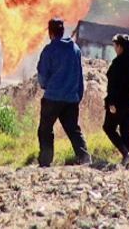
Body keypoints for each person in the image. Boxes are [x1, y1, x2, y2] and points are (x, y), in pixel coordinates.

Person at [36, 18, 91, 167]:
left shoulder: (49, 50)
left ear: (50, 32)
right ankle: (85, 158)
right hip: (71, 99)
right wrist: (78, 95)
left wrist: (46, 86)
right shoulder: (75, 49)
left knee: (45, 129)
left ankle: (45, 161)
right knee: (73, 129)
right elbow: (79, 75)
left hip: (52, 98)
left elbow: (42, 74)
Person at [103, 33, 129, 168]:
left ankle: (125, 154)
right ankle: (127, 164)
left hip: (118, 103)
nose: (114, 48)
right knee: (126, 131)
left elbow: (113, 84)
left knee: (108, 127)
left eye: (115, 46)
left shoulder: (118, 63)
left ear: (120, 46)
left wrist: (111, 102)